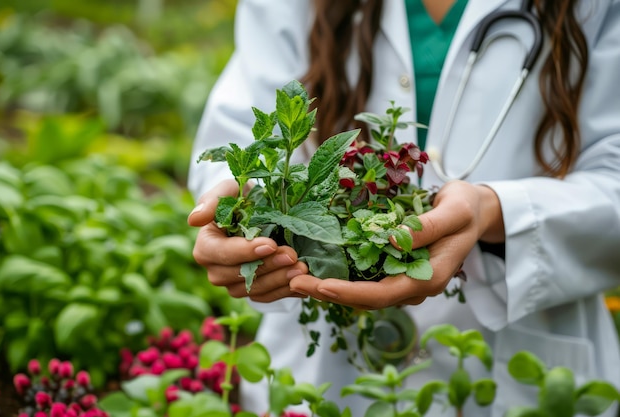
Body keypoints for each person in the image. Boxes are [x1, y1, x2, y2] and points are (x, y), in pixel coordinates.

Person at [187, 0, 620, 415]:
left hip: (517, 362)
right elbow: (246, 124)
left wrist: (496, 210)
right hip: (317, 363)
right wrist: (233, 209)